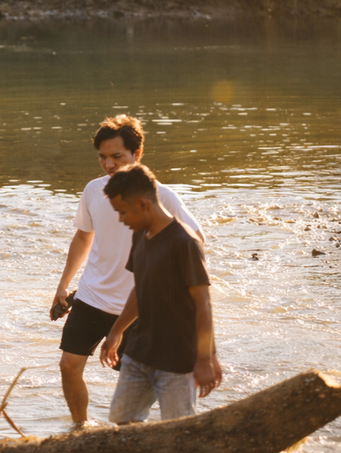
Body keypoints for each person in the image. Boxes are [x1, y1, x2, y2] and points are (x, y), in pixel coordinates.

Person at [51, 114, 204, 426]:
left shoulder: (162, 196)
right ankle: (81, 430)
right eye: (102, 157)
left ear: (137, 154)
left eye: (117, 156)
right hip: (91, 295)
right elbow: (83, 236)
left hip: (138, 307)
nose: (108, 164)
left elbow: (195, 240)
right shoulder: (94, 190)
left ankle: (143, 433)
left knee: (139, 388)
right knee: (68, 365)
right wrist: (63, 284)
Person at [99, 163, 222, 422]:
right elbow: (140, 289)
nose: (120, 219)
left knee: (179, 431)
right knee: (122, 421)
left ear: (143, 204)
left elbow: (203, 303)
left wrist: (205, 358)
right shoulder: (140, 234)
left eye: (122, 212)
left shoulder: (185, 243)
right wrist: (116, 331)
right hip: (139, 352)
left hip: (177, 362)